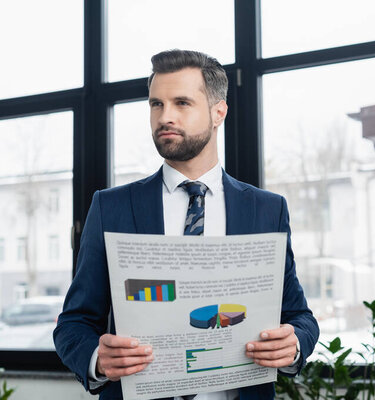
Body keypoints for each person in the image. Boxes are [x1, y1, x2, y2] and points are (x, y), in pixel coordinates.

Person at [53, 49, 319, 400]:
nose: (165, 117)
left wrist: (293, 345)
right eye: (156, 104)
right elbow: (74, 324)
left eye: (181, 103)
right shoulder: (111, 207)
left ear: (218, 112)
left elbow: (299, 316)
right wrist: (97, 360)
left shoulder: (266, 210)